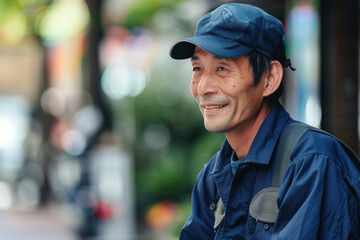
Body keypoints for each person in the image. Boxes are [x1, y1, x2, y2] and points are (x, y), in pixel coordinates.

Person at [169, 3, 360, 240]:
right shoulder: (211, 178)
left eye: (222, 68)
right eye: (197, 68)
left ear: (270, 78)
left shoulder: (313, 162)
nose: (204, 88)